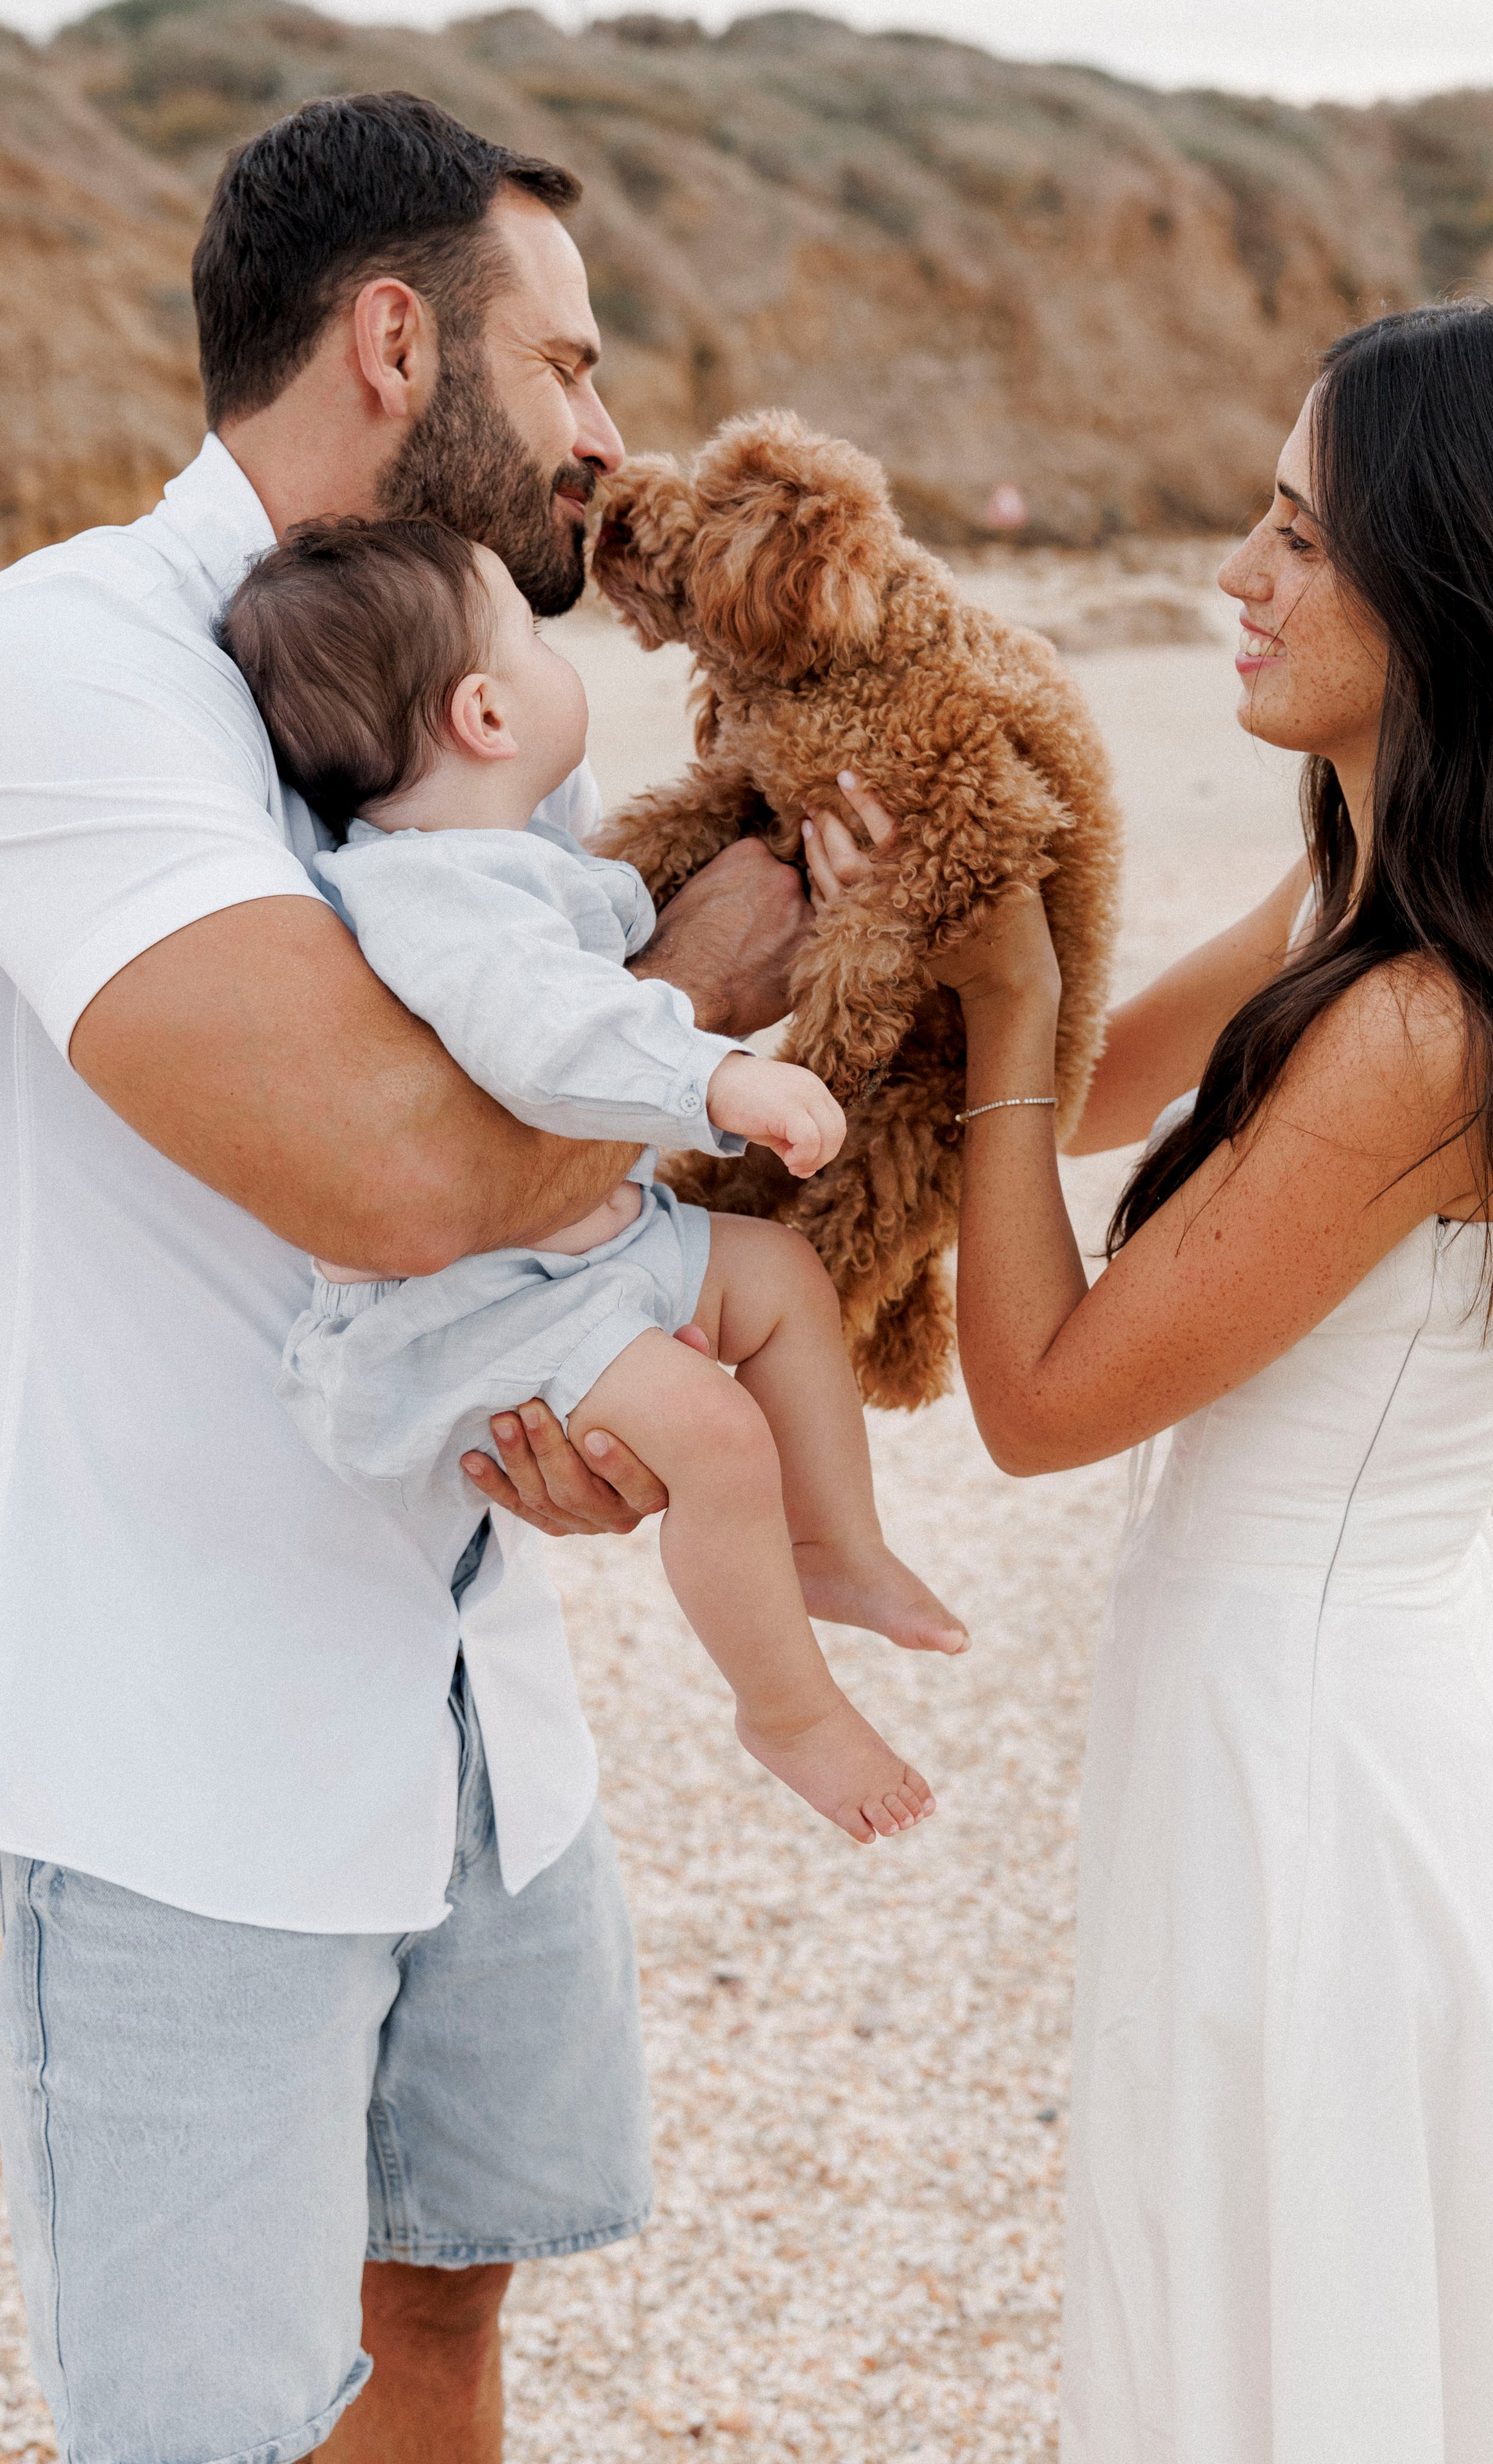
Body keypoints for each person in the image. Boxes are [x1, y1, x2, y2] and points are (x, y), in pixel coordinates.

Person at [0, 90, 814, 2464]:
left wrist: (555, 1420)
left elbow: (508, 1197)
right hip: (177, 1772)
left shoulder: (480, 708)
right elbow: (386, 1164)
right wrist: (708, 988)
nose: (607, 430)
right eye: (565, 365)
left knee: (446, 2328)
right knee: (221, 2433)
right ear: (390, 338)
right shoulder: (72, 667)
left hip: (470, 1713)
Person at [806, 297, 1493, 2460]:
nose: (1231, 582)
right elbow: (1096, 1093)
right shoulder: (1377, 885)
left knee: (1302, 2299)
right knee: (1311, 2286)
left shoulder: (1423, 1025)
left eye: (1296, 539)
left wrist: (998, 1026)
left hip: (1328, 1749)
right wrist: (933, 918)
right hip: (1375, 1677)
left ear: (1451, 583)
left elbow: (1049, 1395)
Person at [223, 513, 961, 1839]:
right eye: (533, 633)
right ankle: (783, 1707)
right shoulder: (437, 897)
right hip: (477, 1306)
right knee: (715, 1435)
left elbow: (611, 944)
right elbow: (548, 1039)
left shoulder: (505, 860)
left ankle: (832, 1544)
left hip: (573, 1244)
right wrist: (718, 1075)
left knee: (781, 1276)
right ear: (487, 713)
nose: (561, 659)